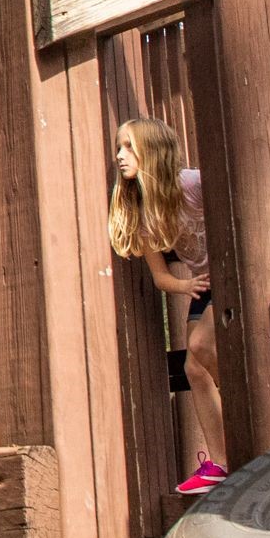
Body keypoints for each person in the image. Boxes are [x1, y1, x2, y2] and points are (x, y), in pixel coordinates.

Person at [110, 115, 226, 495]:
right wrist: (187, 284)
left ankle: (249, 421)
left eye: (129, 146)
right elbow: (161, 278)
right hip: (203, 283)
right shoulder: (142, 212)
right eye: (118, 148)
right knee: (194, 368)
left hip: (231, 272)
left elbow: (232, 199)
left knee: (200, 347)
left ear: (154, 151)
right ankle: (221, 463)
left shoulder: (191, 184)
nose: (120, 156)